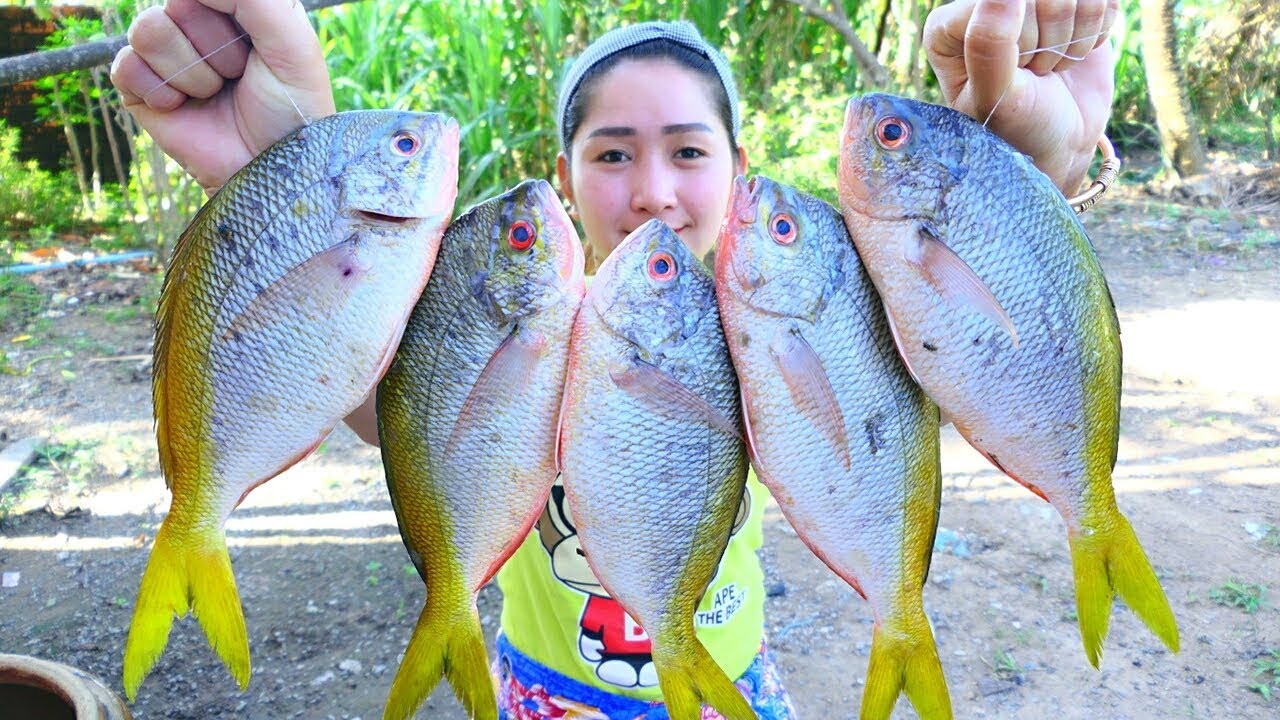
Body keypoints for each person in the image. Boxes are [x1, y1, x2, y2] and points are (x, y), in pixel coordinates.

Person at [111, 1, 1118, 717]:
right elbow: (395, 406)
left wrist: (1019, 185)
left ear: (737, 166)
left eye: (687, 152)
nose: (648, 191)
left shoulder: (790, 309)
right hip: (544, 691)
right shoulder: (482, 314)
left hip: (732, 681)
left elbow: (959, 335)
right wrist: (287, 193)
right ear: (561, 177)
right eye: (609, 153)